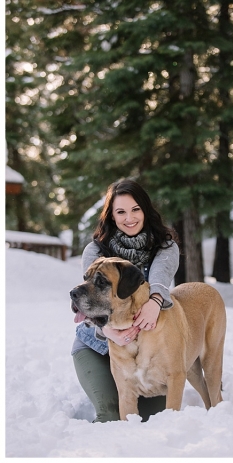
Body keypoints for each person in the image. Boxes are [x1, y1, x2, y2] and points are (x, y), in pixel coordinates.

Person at [71, 179, 180, 422]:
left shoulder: (164, 246)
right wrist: (108, 332)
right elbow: (90, 300)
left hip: (147, 351)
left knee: (155, 418)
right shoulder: (96, 250)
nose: (129, 218)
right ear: (111, 216)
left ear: (145, 209)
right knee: (111, 414)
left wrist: (155, 301)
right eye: (120, 211)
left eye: (135, 209)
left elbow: (160, 279)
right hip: (97, 347)